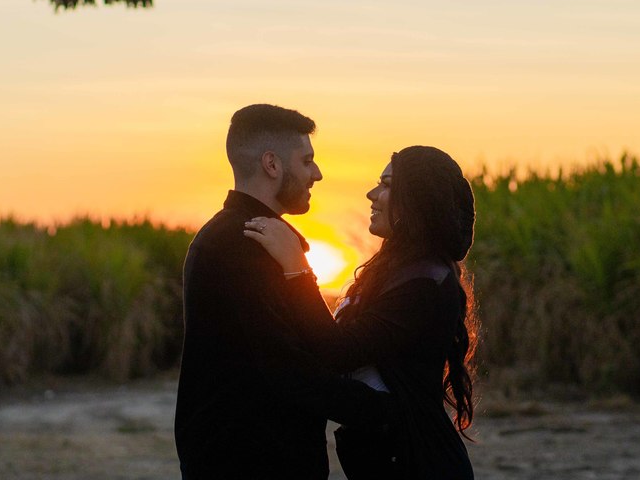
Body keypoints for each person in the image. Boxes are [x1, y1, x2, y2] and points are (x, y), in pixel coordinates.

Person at [174, 103, 390, 479]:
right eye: (307, 161)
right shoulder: (241, 244)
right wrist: (384, 411)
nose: (317, 174)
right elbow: (286, 366)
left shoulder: (238, 236)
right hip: (249, 462)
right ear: (272, 164)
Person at [244, 145, 478, 480]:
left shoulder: (426, 283)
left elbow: (338, 351)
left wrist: (297, 268)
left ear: (417, 199)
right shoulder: (397, 270)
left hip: (420, 464)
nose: (371, 194)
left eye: (386, 185)